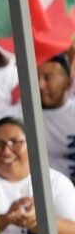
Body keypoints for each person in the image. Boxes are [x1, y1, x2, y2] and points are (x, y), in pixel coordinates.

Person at [38, 53, 75, 181]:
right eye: (37, 77)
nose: (40, 85)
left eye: (48, 78)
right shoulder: (20, 115)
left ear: (67, 83)